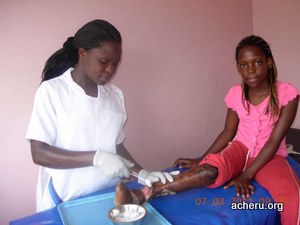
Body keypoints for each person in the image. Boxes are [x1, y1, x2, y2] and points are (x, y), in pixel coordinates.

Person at [114, 35, 299, 225]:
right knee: (208, 171)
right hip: (240, 149)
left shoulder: (287, 93)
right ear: (238, 67)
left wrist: (247, 174)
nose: (250, 70)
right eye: (243, 65)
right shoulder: (236, 93)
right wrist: (201, 159)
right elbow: (228, 133)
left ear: (268, 62)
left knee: (292, 197)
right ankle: (144, 193)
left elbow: (274, 140)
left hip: (271, 156)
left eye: (257, 62)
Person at [26, 19, 178, 212]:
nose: (110, 70)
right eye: (104, 62)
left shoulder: (115, 96)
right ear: (83, 53)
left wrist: (141, 173)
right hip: (65, 200)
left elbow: (115, 145)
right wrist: (97, 158)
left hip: (108, 197)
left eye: (116, 64)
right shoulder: (52, 91)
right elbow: (39, 153)